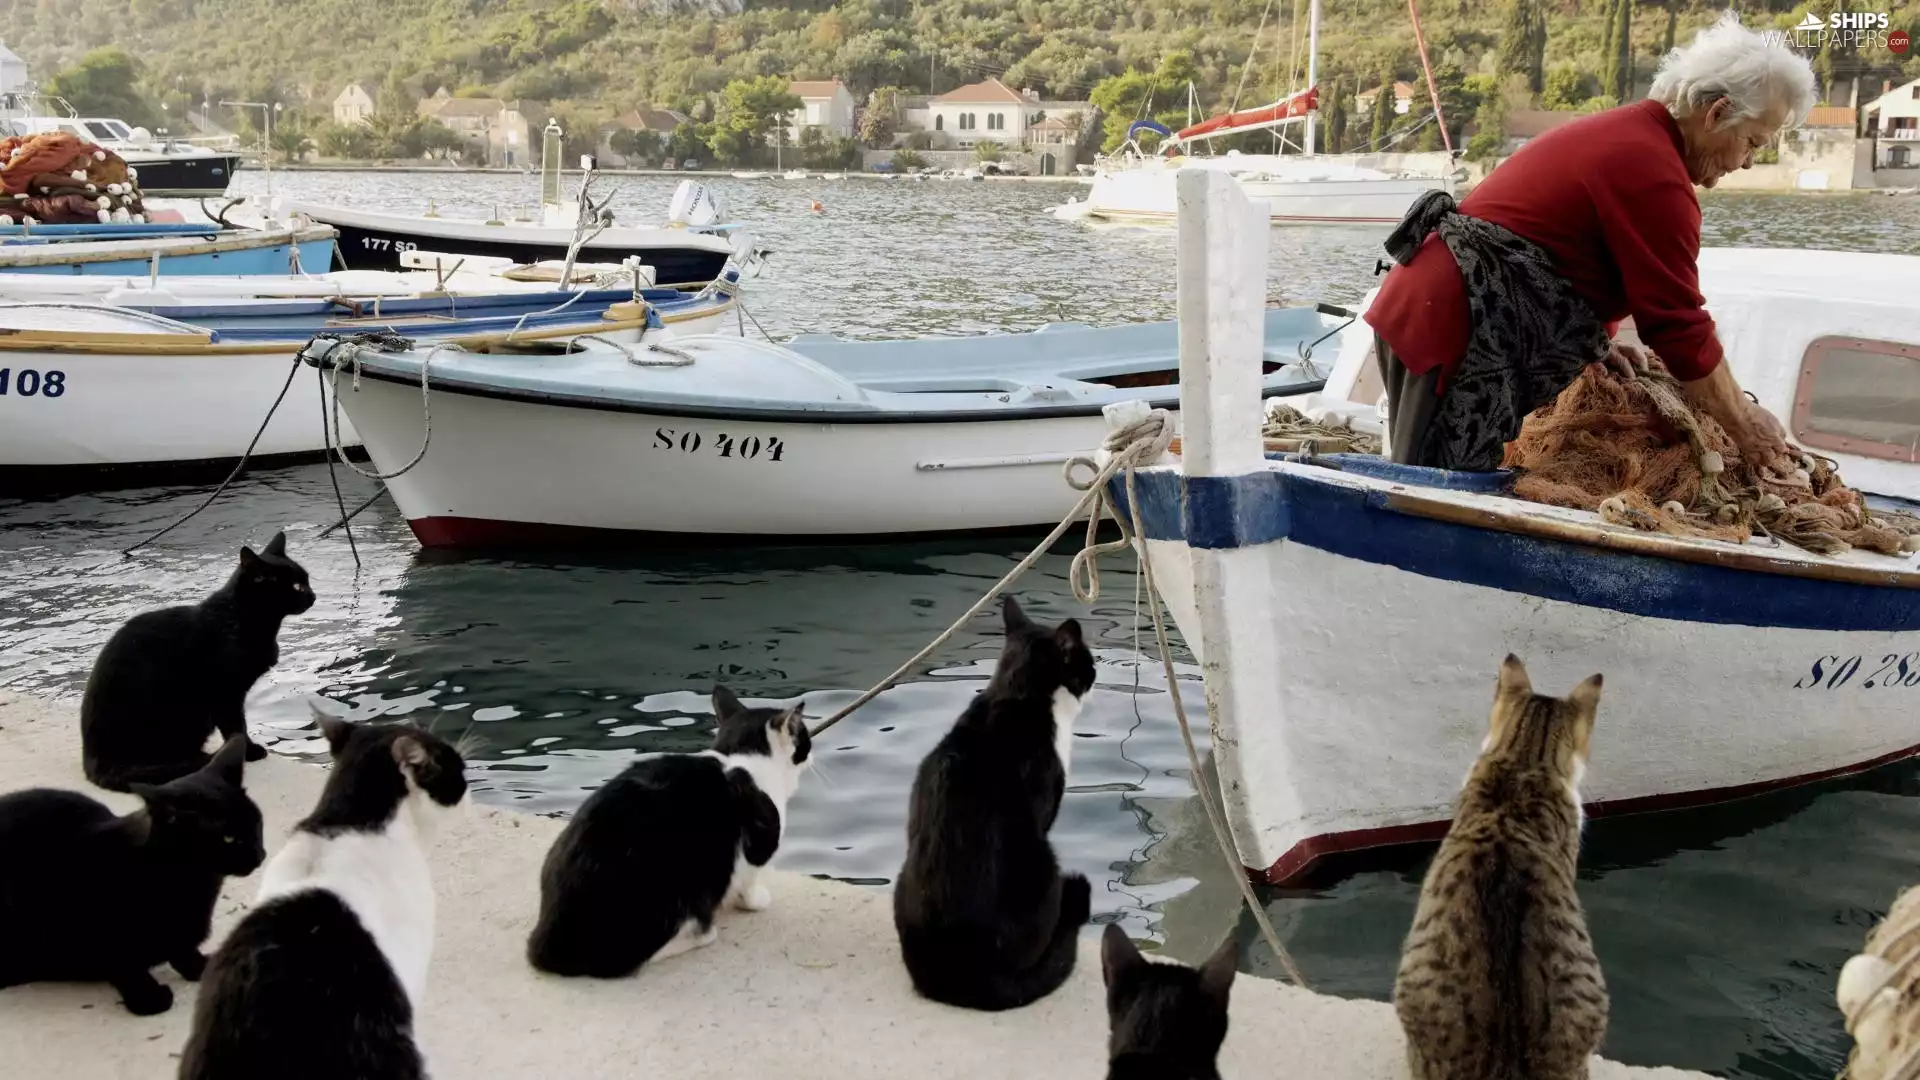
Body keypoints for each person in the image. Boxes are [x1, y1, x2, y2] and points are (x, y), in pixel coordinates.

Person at [1363, 12, 1814, 474]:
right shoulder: (1654, 174)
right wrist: (1744, 423)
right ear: (1716, 114)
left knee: (1439, 477)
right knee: (1434, 488)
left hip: (1439, 308)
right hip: (1450, 324)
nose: (1748, 162)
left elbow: (1563, 251)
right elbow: (1678, 327)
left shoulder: (1633, 135)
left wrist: (1591, 343)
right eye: (1752, 143)